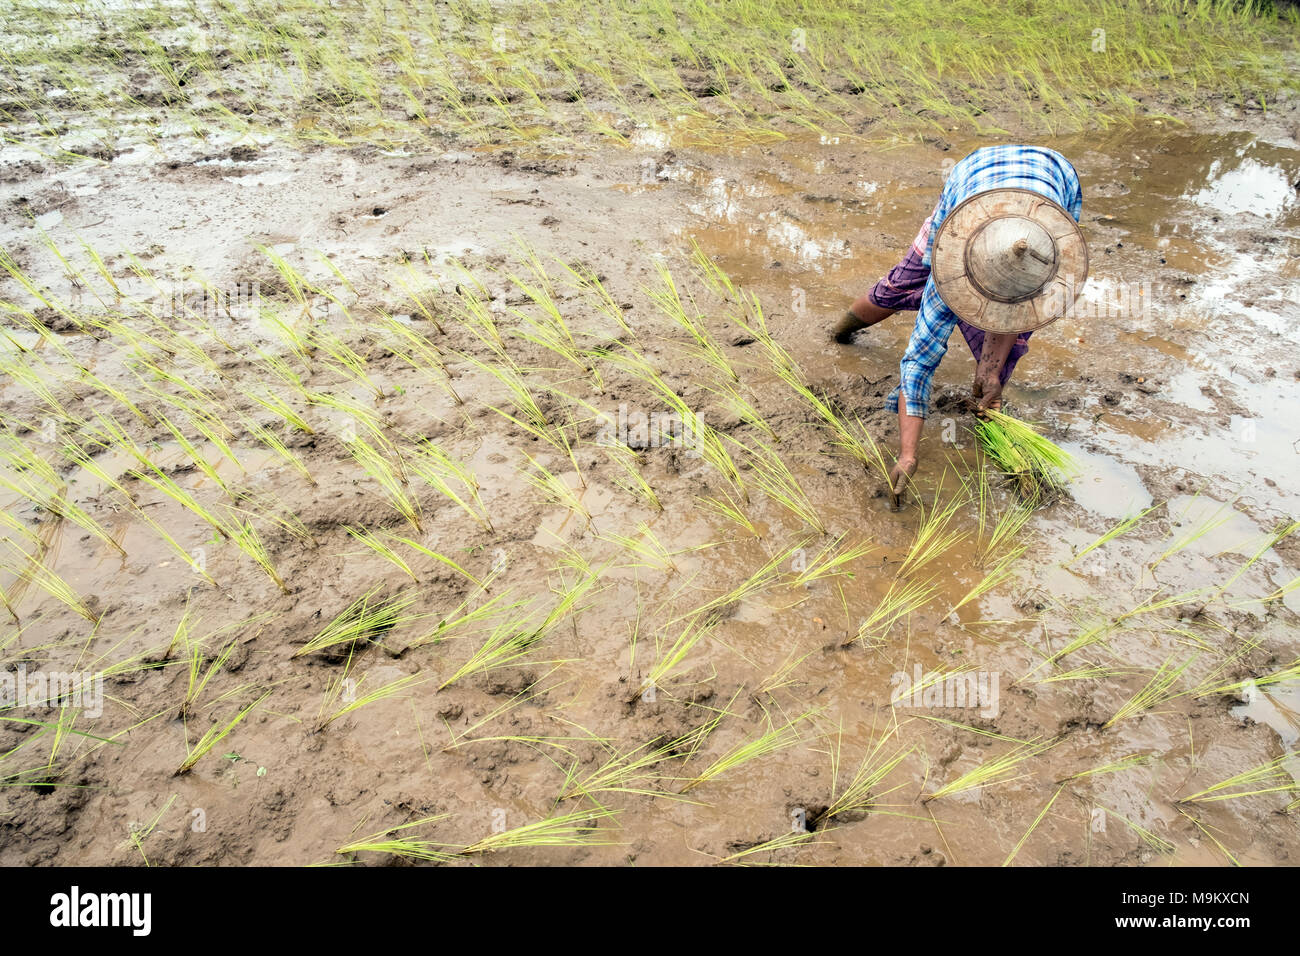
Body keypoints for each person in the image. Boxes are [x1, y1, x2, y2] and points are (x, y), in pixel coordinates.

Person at [832, 144, 1086, 507]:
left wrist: (992, 369)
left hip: (1051, 180)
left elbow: (1016, 311)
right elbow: (918, 363)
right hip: (970, 185)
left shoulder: (1043, 259)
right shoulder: (948, 267)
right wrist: (907, 454)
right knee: (899, 286)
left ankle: (985, 394)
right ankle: (840, 331)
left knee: (1007, 342)